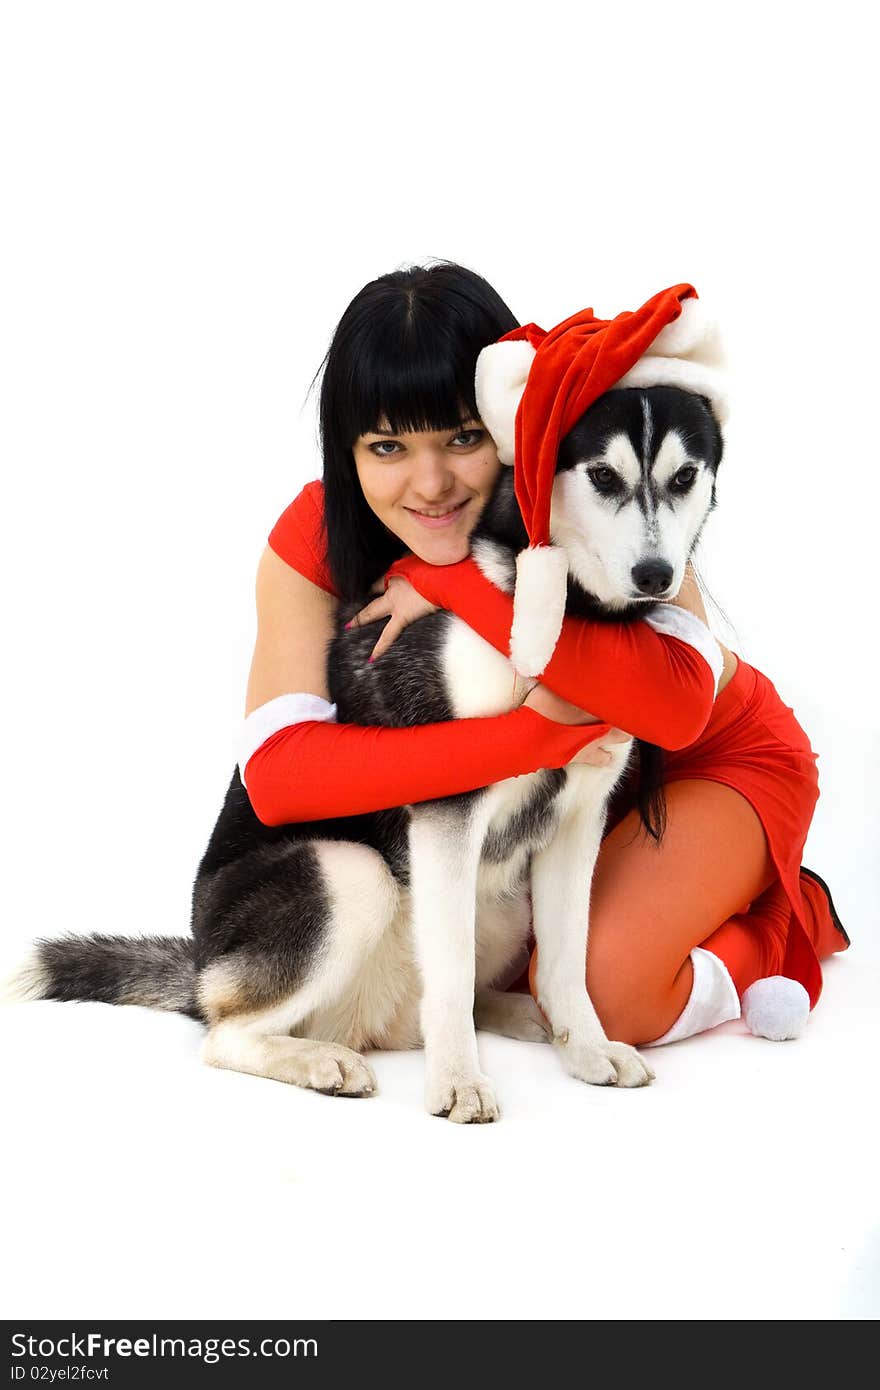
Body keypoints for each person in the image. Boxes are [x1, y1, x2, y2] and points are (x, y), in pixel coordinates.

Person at [238, 260, 848, 1051]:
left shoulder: (608, 504)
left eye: (462, 437)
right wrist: (529, 739)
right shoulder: (319, 533)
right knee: (519, 965)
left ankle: (780, 922)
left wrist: (449, 583)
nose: (429, 485)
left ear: (516, 423)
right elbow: (282, 778)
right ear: (345, 452)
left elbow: (671, 708)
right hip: (542, 813)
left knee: (611, 999)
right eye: (386, 446)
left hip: (710, 759)